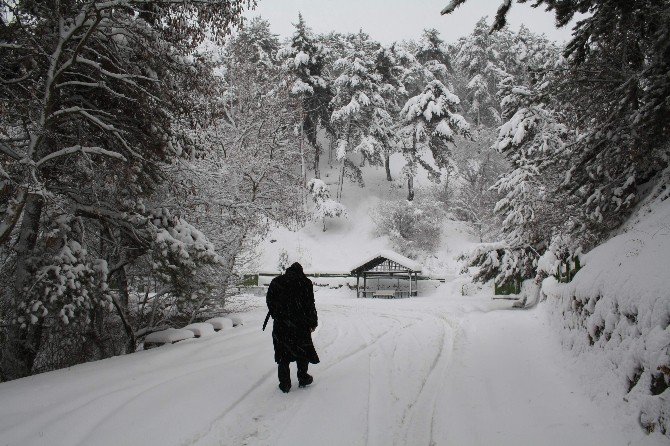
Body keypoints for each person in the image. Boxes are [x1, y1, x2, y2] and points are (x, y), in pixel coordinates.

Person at [264, 262, 319, 393]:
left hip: (281, 325)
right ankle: (303, 377)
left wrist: (278, 315)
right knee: (302, 352)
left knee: (282, 354)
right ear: (301, 271)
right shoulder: (305, 283)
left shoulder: (277, 281)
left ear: (288, 271)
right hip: (301, 325)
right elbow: (310, 304)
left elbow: (269, 301)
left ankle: (285, 384)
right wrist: (312, 323)